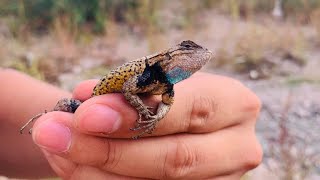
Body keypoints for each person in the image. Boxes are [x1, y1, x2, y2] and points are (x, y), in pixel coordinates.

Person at [0, 68, 262, 179]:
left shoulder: (164, 83)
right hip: (102, 97)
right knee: (66, 107)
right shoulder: (150, 72)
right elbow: (128, 90)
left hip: (95, 109)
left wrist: (184, 127)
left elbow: (167, 102)